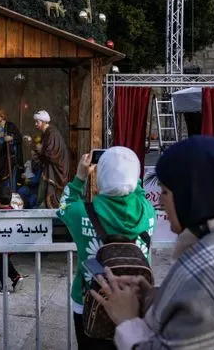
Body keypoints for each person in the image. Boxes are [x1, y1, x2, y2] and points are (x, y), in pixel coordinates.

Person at [90, 136, 214, 349]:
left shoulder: (209, 287)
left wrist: (128, 322)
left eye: (165, 192)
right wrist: (154, 297)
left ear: (195, 197)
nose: (159, 201)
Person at [57, 147, 155, 350]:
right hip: (135, 300)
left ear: (101, 177)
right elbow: (139, 192)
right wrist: (126, 170)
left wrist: (80, 177)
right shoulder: (148, 210)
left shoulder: (81, 212)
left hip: (89, 300)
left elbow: (63, 206)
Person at [0, 185, 23, 294]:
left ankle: (2, 287)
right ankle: (16, 278)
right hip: (11, 245)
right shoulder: (11, 210)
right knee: (5, 261)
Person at [33, 110, 70, 208]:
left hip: (55, 169)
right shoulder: (46, 133)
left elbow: (52, 152)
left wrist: (41, 149)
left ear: (44, 122)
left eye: (37, 121)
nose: (35, 124)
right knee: (43, 191)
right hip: (49, 168)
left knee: (48, 192)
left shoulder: (52, 132)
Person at [0, 109, 23, 191]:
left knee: (10, 174)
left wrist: (11, 138)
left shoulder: (10, 126)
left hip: (10, 155)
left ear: (2, 116)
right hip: (1, 155)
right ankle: (1, 193)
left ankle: (11, 191)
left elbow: (19, 137)